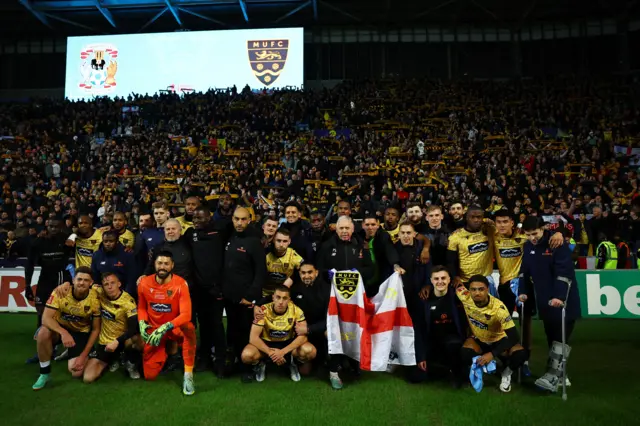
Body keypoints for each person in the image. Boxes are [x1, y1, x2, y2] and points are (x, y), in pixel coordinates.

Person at [520, 216, 581, 393]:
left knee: (560, 339)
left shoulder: (556, 243)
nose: (532, 237)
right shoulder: (528, 246)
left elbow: (564, 272)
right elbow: (524, 272)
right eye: (528, 234)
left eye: (535, 233)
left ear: (543, 228)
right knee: (551, 338)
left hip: (564, 301)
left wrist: (560, 296)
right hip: (544, 302)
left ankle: (553, 375)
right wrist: (523, 292)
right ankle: (561, 375)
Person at [316, 215, 374, 389]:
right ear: (336, 229)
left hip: (355, 301)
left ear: (353, 229)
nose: (344, 231)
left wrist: (359, 273)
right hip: (334, 300)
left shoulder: (361, 246)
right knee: (336, 331)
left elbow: (371, 269)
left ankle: (353, 363)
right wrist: (328, 274)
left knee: (354, 329)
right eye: (341, 228)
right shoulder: (327, 246)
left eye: (347, 228)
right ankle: (334, 369)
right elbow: (318, 269)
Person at [32, 267, 101, 390]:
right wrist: (63, 332)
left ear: (91, 283)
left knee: (76, 373)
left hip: (80, 331)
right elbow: (46, 318)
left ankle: (80, 354)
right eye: (79, 279)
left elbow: (95, 329)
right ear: (73, 280)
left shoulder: (95, 297)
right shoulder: (60, 292)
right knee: (43, 332)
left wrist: (83, 355)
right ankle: (44, 373)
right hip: (60, 329)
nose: (82, 282)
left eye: (86, 280)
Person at [138, 251, 197, 395]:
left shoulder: (181, 284)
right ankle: (167, 355)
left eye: (166, 263)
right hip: (154, 329)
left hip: (173, 328)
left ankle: (188, 375)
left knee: (189, 329)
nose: (162, 267)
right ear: (154, 264)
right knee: (149, 376)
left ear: (172, 266)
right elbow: (141, 307)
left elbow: (186, 315)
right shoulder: (144, 283)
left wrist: (166, 326)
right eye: (159, 263)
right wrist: (141, 322)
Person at [457, 275, 528, 393]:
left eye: (481, 289)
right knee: (464, 353)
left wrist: (492, 354)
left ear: (488, 289)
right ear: (469, 290)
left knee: (520, 353)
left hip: (498, 340)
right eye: (473, 289)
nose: (477, 293)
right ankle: (479, 367)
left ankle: (506, 373)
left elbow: (514, 336)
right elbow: (446, 285)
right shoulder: (464, 296)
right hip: (479, 339)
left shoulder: (498, 309)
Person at [223, 207, 267, 382]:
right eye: (236, 219)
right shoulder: (230, 236)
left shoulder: (254, 241)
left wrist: (250, 296)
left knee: (245, 333)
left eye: (243, 219)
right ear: (232, 219)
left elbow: (261, 272)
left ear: (249, 220)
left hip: (246, 298)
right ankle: (233, 363)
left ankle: (248, 367)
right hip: (229, 296)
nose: (239, 223)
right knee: (232, 331)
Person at [241, 286, 316, 382]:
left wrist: (282, 352)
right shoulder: (262, 311)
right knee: (247, 355)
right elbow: (253, 338)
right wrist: (271, 352)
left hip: (287, 344)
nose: (281, 302)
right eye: (278, 297)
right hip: (267, 344)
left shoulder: (296, 310)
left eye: (284, 298)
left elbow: (303, 337)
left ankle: (293, 363)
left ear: (289, 300)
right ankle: (260, 364)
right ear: (273, 298)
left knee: (310, 351)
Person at [186, 205, 228, 377]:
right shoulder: (190, 234)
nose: (196, 221)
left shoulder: (220, 231)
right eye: (194, 218)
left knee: (217, 325)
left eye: (200, 218)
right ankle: (204, 358)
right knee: (203, 325)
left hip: (216, 289)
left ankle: (220, 361)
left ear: (209, 217)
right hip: (198, 290)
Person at [83, 272, 142, 382]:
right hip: (105, 342)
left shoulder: (128, 302)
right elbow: (82, 284)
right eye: (106, 284)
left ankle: (131, 362)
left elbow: (133, 328)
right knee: (88, 378)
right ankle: (113, 359)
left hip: (122, 340)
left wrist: (117, 341)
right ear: (102, 286)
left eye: (112, 283)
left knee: (138, 339)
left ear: (119, 284)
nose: (109, 287)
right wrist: (66, 284)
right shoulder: (98, 291)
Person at [414, 266, 467, 387]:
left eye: (443, 278)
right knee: (416, 377)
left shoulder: (459, 298)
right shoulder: (424, 300)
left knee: (452, 345)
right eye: (436, 278)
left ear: (449, 280)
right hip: (432, 342)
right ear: (431, 281)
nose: (440, 282)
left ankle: (456, 372)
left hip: (452, 341)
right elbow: (419, 330)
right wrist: (421, 356)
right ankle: (443, 369)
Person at [447, 205, 493, 288]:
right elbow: (450, 260)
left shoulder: (489, 231)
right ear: (467, 218)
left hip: (486, 279)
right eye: (472, 217)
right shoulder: (455, 236)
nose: (476, 220)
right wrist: (455, 276)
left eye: (479, 217)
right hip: (465, 281)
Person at [91, 231, 137, 296]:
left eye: (111, 241)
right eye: (105, 241)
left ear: (117, 241)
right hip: (103, 294)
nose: (108, 244)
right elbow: (95, 277)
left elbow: (131, 278)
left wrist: (126, 295)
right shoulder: (97, 255)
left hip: (123, 293)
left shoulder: (127, 254)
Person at [264, 228, 304, 297]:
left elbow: (305, 268)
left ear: (289, 241)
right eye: (278, 241)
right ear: (273, 240)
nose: (281, 244)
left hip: (284, 295)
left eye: (285, 241)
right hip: (265, 294)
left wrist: (292, 278)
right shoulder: (265, 253)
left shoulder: (293, 255)